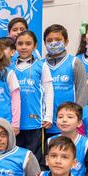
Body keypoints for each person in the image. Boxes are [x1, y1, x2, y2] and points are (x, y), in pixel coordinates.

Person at [12, 30, 53, 161]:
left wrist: (48, 116)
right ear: (15, 46)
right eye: (20, 43)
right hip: (15, 122)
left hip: (35, 121)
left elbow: (48, 91)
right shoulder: (9, 67)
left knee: (35, 158)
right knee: (16, 156)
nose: (24, 47)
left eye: (28, 44)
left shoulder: (41, 65)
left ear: (35, 46)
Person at [43, 24, 88, 134]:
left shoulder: (74, 62)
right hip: (46, 124)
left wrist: (77, 118)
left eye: (58, 39)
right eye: (49, 40)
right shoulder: (40, 65)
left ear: (66, 42)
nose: (53, 43)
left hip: (68, 124)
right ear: (44, 43)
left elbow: (82, 91)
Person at [52, 102, 88, 176]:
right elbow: (44, 167)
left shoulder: (87, 144)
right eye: (60, 117)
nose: (64, 120)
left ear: (79, 123)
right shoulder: (50, 141)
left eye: (70, 117)